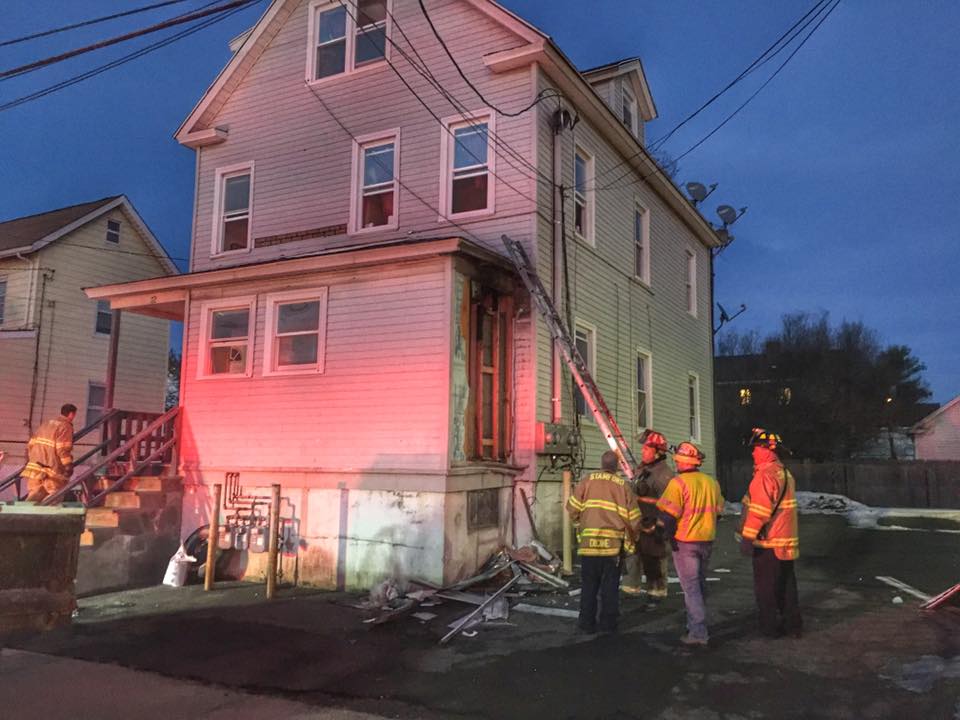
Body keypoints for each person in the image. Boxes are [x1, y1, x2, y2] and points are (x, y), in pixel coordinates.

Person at [656, 441, 724, 646]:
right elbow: (719, 511)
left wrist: (664, 534)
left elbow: (668, 516)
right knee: (700, 583)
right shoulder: (712, 483)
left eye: (677, 460)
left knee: (691, 588)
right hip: (707, 540)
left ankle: (698, 632)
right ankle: (696, 623)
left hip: (685, 542)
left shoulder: (678, 484)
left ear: (682, 462)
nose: (676, 463)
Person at [567, 449, 641, 634]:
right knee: (610, 589)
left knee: (589, 587)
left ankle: (586, 624)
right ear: (616, 466)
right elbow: (634, 519)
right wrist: (633, 541)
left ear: (601, 464)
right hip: (612, 549)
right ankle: (608, 626)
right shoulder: (623, 486)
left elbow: (572, 507)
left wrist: (579, 524)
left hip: (588, 547)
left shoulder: (587, 480)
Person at [738, 427, 802, 638]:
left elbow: (759, 512)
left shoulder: (764, 476)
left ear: (767, 451)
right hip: (785, 544)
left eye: (756, 448)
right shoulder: (785, 474)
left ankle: (769, 629)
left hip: (768, 544)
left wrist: (747, 537)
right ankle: (793, 626)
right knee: (787, 587)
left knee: (766, 589)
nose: (753, 453)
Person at [622, 429, 673, 601]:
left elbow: (669, 506)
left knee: (655, 558)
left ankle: (657, 593)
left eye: (646, 449)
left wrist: (658, 526)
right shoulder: (643, 470)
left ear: (658, 452)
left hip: (653, 525)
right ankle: (630, 589)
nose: (642, 451)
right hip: (639, 522)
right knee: (633, 556)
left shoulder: (664, 475)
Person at [21, 403, 77, 503]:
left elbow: (31, 444)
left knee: (34, 495)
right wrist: (68, 465)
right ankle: (46, 518)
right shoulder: (65, 426)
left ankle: (24, 517)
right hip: (51, 470)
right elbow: (62, 449)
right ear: (71, 414)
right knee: (55, 495)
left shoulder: (46, 424)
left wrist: (31, 459)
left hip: (35, 467)